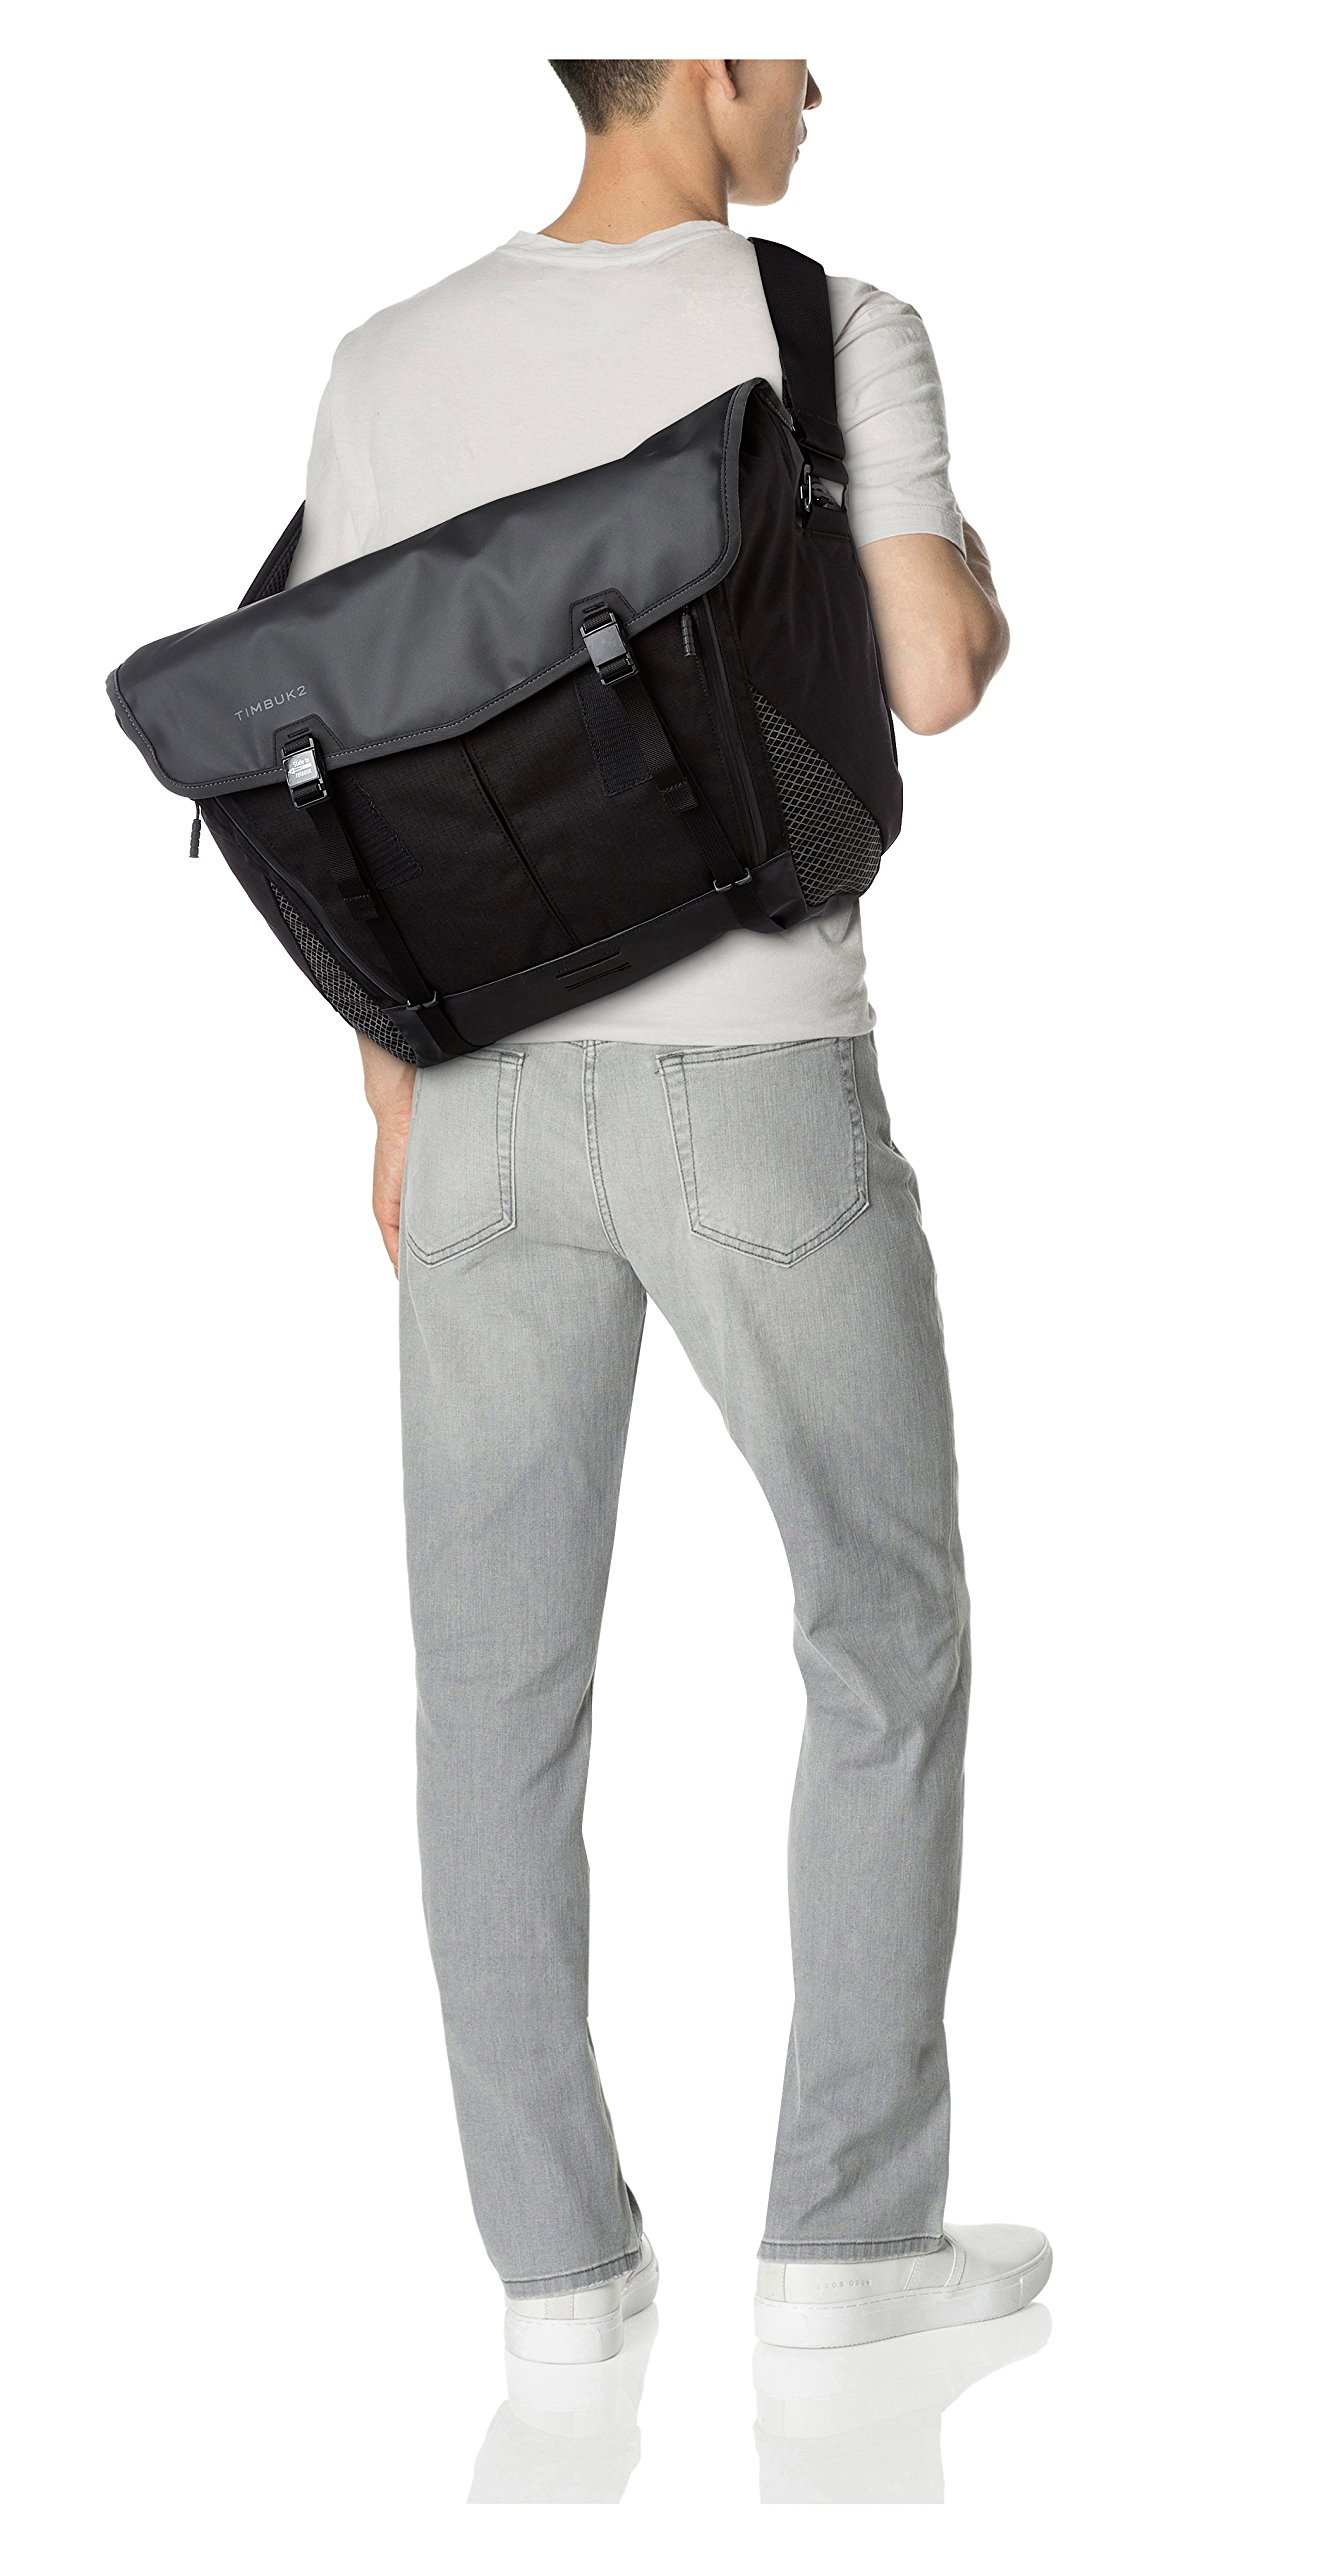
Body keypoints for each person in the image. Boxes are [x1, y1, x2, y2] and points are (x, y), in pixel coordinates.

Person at [289, 56, 1050, 2364]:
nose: (814, 83)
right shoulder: (823, 323)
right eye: (789, 48)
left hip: (480, 1093)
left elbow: (347, 772)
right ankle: (846, 2243)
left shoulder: (385, 363)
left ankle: (557, 2282)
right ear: (702, 57)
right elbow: (935, 678)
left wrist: (395, 1095)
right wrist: (976, 579)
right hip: (757, 1090)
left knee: (490, 1689)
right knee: (881, 1627)